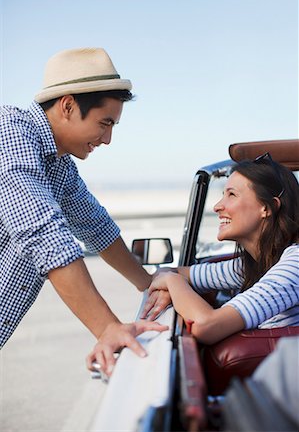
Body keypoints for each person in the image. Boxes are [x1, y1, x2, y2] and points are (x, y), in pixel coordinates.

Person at [0, 47, 167, 375]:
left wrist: (147, 282)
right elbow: (44, 234)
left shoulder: (60, 165)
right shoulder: (10, 132)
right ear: (67, 106)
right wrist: (107, 327)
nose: (107, 140)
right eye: (104, 123)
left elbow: (96, 228)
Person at [142, 154, 299, 343]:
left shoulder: (295, 263)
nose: (217, 207)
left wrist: (171, 282)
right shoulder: (252, 266)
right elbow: (167, 271)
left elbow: (207, 326)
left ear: (267, 207)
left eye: (232, 195)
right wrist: (168, 279)